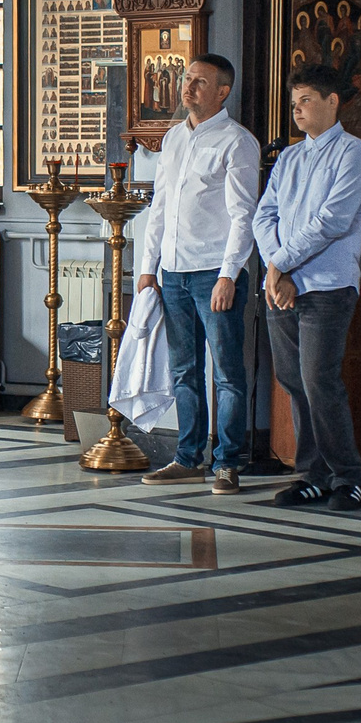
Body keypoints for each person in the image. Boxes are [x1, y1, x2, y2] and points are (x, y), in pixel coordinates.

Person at [133, 54, 260, 493]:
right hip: (173, 272)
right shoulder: (172, 139)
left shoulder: (237, 141)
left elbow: (244, 215)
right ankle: (188, 458)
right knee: (184, 371)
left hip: (214, 273)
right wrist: (148, 268)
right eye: (187, 79)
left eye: (199, 82)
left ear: (222, 92)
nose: (187, 88)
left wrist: (230, 274)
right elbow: (160, 209)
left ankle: (226, 464)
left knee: (226, 373)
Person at [255, 64, 361, 512]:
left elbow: (333, 222)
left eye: (305, 100)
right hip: (282, 285)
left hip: (327, 286)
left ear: (332, 101)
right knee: (292, 380)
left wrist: (282, 264)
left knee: (319, 380)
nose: (297, 110)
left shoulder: (352, 153)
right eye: (294, 103)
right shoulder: (288, 157)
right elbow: (262, 216)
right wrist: (276, 268)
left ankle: (349, 477)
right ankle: (313, 474)